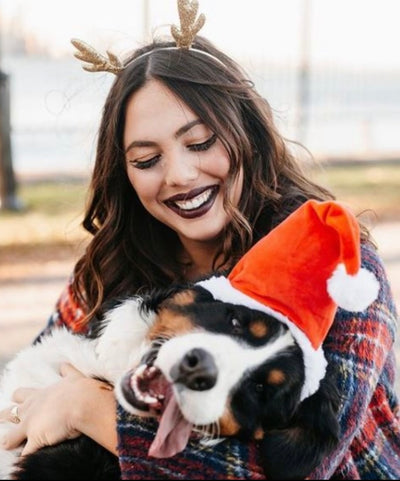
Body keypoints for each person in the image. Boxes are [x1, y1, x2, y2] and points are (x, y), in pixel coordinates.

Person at [1, 1, 399, 478]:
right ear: (124, 174)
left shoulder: (335, 267)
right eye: (147, 160)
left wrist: (89, 408)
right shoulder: (114, 262)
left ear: (245, 132)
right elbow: (28, 390)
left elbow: (305, 470)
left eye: (200, 142)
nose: (181, 175)